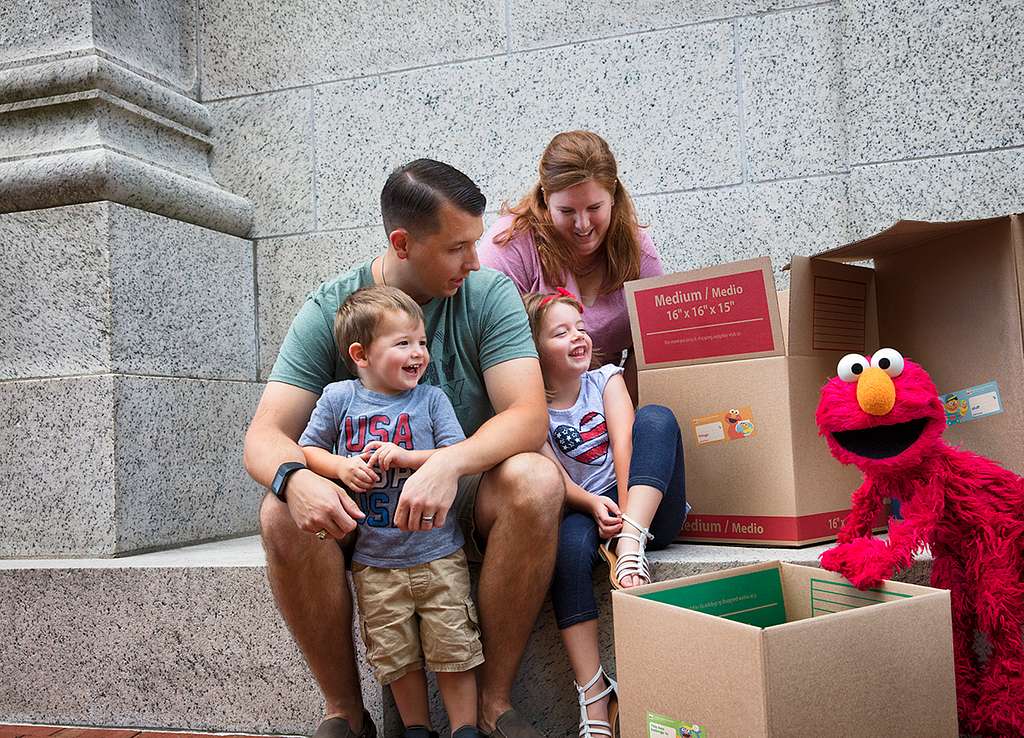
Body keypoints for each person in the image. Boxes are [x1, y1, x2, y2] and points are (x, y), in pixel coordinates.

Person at [244, 159, 564, 738]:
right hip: (368, 515)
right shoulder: (335, 310)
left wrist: (449, 462)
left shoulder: (488, 293)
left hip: (467, 495)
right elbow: (265, 436)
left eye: (477, 242)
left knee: (535, 480)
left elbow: (527, 416)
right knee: (279, 512)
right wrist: (298, 479)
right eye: (457, 247)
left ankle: (492, 711)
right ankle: (345, 712)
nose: (475, 259)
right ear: (402, 242)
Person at [298, 286, 481, 738]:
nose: (418, 352)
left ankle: (466, 729)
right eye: (402, 343)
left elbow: (456, 452)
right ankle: (416, 729)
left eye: (420, 342)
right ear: (360, 354)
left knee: (453, 641)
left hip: (438, 554)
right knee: (395, 654)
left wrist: (406, 457)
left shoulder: (431, 399)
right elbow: (306, 450)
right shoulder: (340, 398)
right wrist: (341, 467)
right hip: (376, 560)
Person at [523, 289, 689, 738]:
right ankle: (596, 697)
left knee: (655, 417)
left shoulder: (606, 379)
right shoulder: (532, 409)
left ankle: (630, 544)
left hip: (647, 506)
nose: (578, 338)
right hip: (585, 506)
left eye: (580, 328)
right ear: (534, 349)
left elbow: (624, 447)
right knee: (568, 551)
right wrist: (592, 503)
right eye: (561, 333)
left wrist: (626, 517)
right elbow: (555, 475)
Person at [478, 130, 664, 404]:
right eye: (566, 211)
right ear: (545, 199)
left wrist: (623, 415)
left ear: (613, 195)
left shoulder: (635, 245)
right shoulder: (510, 244)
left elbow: (657, 337)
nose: (583, 224)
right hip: (535, 402)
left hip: (615, 401)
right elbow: (482, 337)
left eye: (594, 208)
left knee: (658, 420)